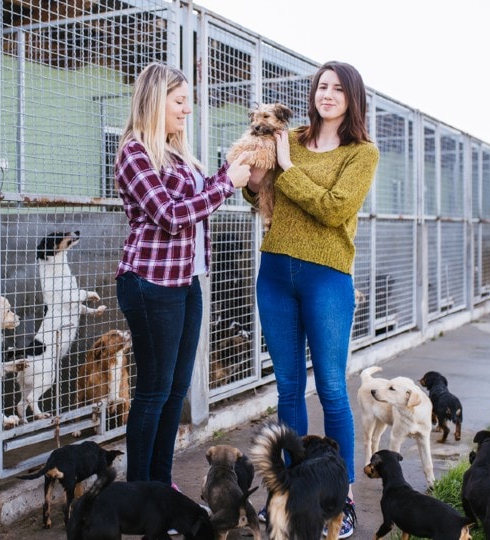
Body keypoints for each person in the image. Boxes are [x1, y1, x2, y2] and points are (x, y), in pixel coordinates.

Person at [244, 60, 379, 538]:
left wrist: (286, 167)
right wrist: (255, 181)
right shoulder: (290, 137)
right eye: (321, 86)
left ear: (351, 98)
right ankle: (287, 494)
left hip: (327, 277)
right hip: (276, 270)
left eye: (337, 89)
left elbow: (334, 208)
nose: (327, 94)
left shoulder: (361, 153)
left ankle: (339, 501)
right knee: (286, 388)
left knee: (331, 389)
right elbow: (264, 195)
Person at [114, 62, 252, 485]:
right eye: (179, 101)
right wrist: (226, 185)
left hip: (186, 281)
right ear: (156, 100)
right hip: (150, 282)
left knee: (175, 391)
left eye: (187, 102)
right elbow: (170, 216)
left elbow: (199, 196)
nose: (186, 110)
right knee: (154, 392)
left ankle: (161, 483)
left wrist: (230, 170)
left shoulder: (175, 150)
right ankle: (140, 492)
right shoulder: (135, 152)